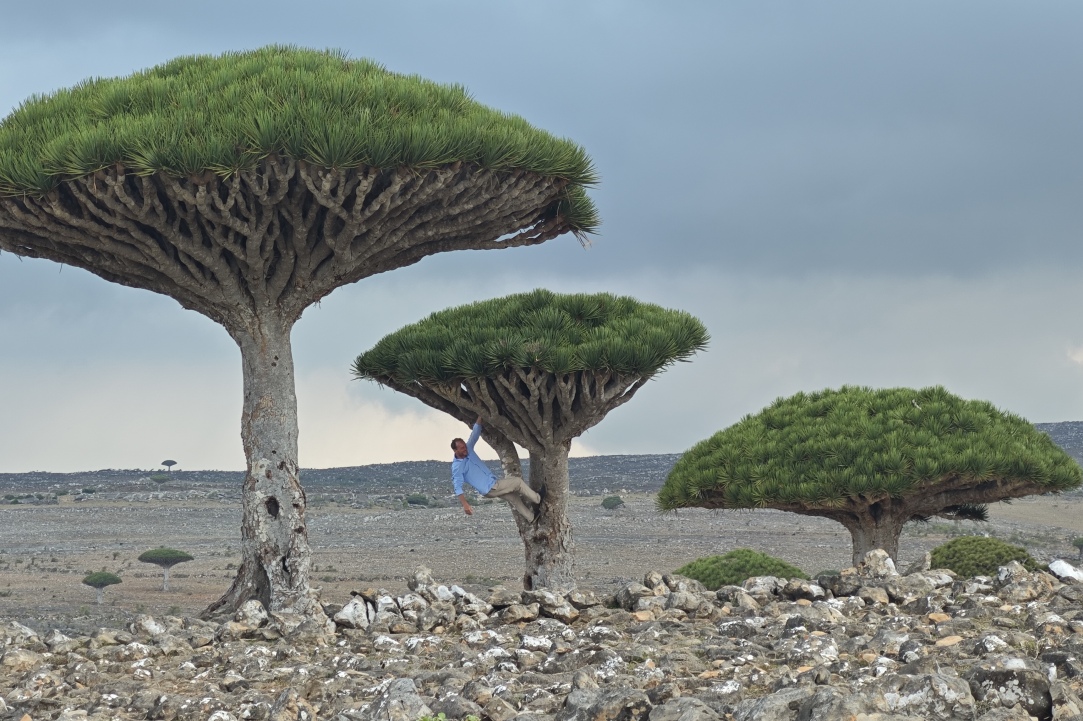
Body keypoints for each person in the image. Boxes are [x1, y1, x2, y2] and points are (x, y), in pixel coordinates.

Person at [452, 417, 545, 522]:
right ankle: (538, 499)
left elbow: (474, 434)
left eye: (464, 446)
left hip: (490, 486)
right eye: (462, 448)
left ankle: (531, 518)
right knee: (518, 483)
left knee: (513, 498)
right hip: (490, 487)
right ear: (455, 450)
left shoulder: (468, 448)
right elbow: (457, 487)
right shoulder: (457, 467)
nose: (465, 449)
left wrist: (481, 416)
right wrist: (465, 504)